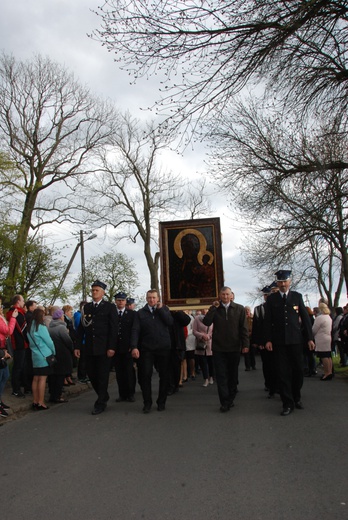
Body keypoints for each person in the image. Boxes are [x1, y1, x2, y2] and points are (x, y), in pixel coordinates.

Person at [264, 270, 315, 416]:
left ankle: (296, 397)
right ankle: (287, 403)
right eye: (280, 282)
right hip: (279, 342)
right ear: (277, 283)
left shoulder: (297, 297)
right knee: (282, 372)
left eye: (285, 281)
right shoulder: (272, 299)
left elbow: (305, 318)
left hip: (296, 341)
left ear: (290, 282)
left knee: (298, 370)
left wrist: (310, 338)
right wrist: (267, 339)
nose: (283, 284)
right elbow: (268, 321)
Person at [203, 286, 249, 412]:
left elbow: (243, 328)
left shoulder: (239, 309)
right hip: (219, 348)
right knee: (221, 376)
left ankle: (230, 398)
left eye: (227, 294)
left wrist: (245, 345)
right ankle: (224, 402)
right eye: (223, 295)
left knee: (232, 376)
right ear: (219, 296)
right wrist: (213, 308)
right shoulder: (215, 309)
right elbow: (206, 322)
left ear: (231, 295)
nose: (225, 297)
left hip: (234, 347)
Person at [75, 280, 118, 415]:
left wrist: (111, 347)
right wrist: (77, 346)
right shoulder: (86, 308)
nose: (94, 292)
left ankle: (100, 402)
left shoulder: (109, 307)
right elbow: (81, 328)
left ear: (103, 292)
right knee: (92, 374)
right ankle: (103, 394)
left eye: (97, 290)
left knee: (102, 375)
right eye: (93, 290)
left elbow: (113, 328)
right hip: (89, 347)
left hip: (104, 347)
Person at [131, 289, 174, 413]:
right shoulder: (140, 313)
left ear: (158, 298)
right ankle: (147, 402)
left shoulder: (164, 310)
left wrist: (160, 309)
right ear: (146, 298)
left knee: (164, 376)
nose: (152, 300)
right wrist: (134, 346)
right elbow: (135, 330)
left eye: (154, 298)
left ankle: (161, 402)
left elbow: (169, 322)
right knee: (145, 376)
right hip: (147, 349)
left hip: (163, 348)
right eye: (149, 298)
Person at [251, 285, 277, 397]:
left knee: (279, 366)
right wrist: (258, 342)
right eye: (265, 295)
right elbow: (257, 326)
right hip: (264, 342)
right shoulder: (259, 309)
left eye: (269, 294)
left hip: (278, 341)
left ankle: (279, 386)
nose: (267, 296)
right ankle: (270, 385)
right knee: (267, 365)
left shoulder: (279, 306)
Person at [28, 308, 56, 410]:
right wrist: (53, 351)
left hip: (35, 355)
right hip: (44, 354)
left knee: (36, 378)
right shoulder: (40, 327)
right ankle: (41, 401)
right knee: (42, 378)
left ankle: (35, 401)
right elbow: (49, 341)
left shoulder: (30, 327)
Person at [113, 291, 137, 403]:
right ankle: (122, 394)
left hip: (127, 348)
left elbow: (134, 331)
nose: (121, 302)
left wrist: (133, 346)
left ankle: (131, 393)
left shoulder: (132, 314)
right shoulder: (112, 314)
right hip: (116, 348)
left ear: (126, 301)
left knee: (129, 372)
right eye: (118, 300)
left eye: (122, 300)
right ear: (115, 301)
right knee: (119, 372)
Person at [6, 294, 31, 398]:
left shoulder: (16, 313)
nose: (24, 302)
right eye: (22, 300)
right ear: (18, 302)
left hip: (20, 343)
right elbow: (23, 329)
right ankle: (16, 389)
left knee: (21, 366)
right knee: (18, 367)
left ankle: (23, 386)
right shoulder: (17, 313)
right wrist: (27, 340)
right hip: (19, 343)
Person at [48, 309, 74, 403]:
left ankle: (52, 394)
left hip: (53, 353)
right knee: (60, 376)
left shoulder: (49, 327)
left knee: (53, 375)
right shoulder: (61, 328)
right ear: (60, 317)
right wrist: (72, 348)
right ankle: (57, 396)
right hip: (62, 353)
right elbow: (67, 341)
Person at [0, 302, 17, 417]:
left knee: (5, 375)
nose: (1, 307)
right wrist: (13, 318)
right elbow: (8, 331)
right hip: (1, 349)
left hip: (2, 348)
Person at [192, 309, 214, 387]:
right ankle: (206, 379)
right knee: (203, 362)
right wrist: (201, 335)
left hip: (210, 343)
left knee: (211, 362)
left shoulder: (212, 318)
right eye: (204, 309)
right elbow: (194, 331)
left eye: (207, 309)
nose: (205, 311)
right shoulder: (197, 319)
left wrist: (208, 336)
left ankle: (211, 377)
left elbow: (214, 331)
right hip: (200, 343)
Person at [312, 303, 333, 380]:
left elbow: (314, 329)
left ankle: (327, 373)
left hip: (321, 338)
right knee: (328, 355)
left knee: (324, 356)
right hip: (328, 337)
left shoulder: (319, 318)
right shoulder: (328, 317)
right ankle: (330, 371)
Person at [73, 301, 88, 383]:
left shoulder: (80, 316)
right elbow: (82, 328)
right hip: (83, 341)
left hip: (84, 340)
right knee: (83, 360)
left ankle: (84, 375)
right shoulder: (79, 316)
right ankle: (82, 376)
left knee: (84, 360)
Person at [243, 306, 255, 371]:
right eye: (246, 310)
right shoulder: (243, 318)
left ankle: (253, 365)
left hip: (252, 336)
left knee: (252, 352)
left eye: (248, 310)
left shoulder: (253, 317)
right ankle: (247, 366)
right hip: (246, 337)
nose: (247, 311)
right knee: (246, 352)